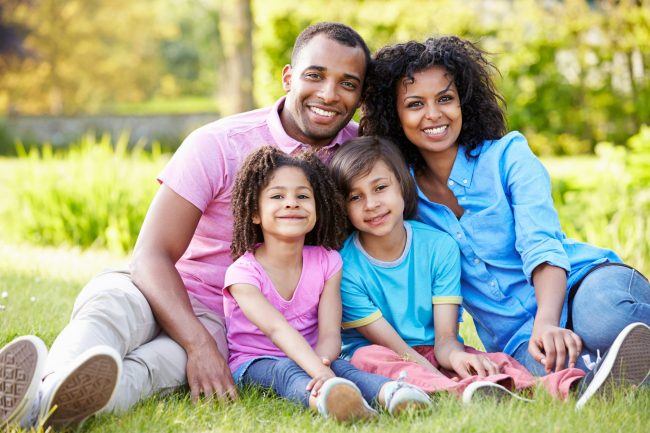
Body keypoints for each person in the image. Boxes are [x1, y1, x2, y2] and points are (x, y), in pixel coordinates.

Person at [0, 22, 372, 429]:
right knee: (107, 311)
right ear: (288, 77)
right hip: (153, 286)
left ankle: (39, 411)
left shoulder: (355, 161)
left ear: (360, 96)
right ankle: (46, 388)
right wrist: (198, 345)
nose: (329, 94)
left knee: (151, 371)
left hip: (218, 317)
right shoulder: (218, 143)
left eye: (348, 84)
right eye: (315, 75)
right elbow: (151, 254)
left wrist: (205, 342)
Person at [359, 35, 650, 408]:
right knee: (551, 374)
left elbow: (541, 244)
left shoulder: (509, 156)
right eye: (415, 104)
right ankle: (609, 376)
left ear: (464, 101)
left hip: (583, 284)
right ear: (394, 115)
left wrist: (547, 322)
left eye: (445, 99)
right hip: (515, 336)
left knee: (608, 322)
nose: (433, 114)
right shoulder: (400, 195)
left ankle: (610, 358)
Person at [328, 136, 584, 402]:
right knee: (372, 358)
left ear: (402, 186)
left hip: (432, 350)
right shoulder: (344, 267)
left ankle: (559, 386)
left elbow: (445, 341)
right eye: (355, 197)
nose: (371, 204)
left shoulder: (439, 247)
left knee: (487, 361)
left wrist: (456, 358)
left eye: (380, 188)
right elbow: (396, 348)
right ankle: (458, 392)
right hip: (381, 355)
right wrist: (438, 375)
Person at [223, 146, 431, 421]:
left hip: (314, 355)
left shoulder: (328, 262)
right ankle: (330, 399)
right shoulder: (243, 274)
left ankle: (392, 393)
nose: (291, 203)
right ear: (254, 213)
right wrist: (319, 371)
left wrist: (324, 361)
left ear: (317, 208)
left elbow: (331, 333)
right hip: (256, 363)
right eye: (277, 196)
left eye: (302, 196)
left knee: (346, 369)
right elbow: (277, 329)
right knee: (287, 371)